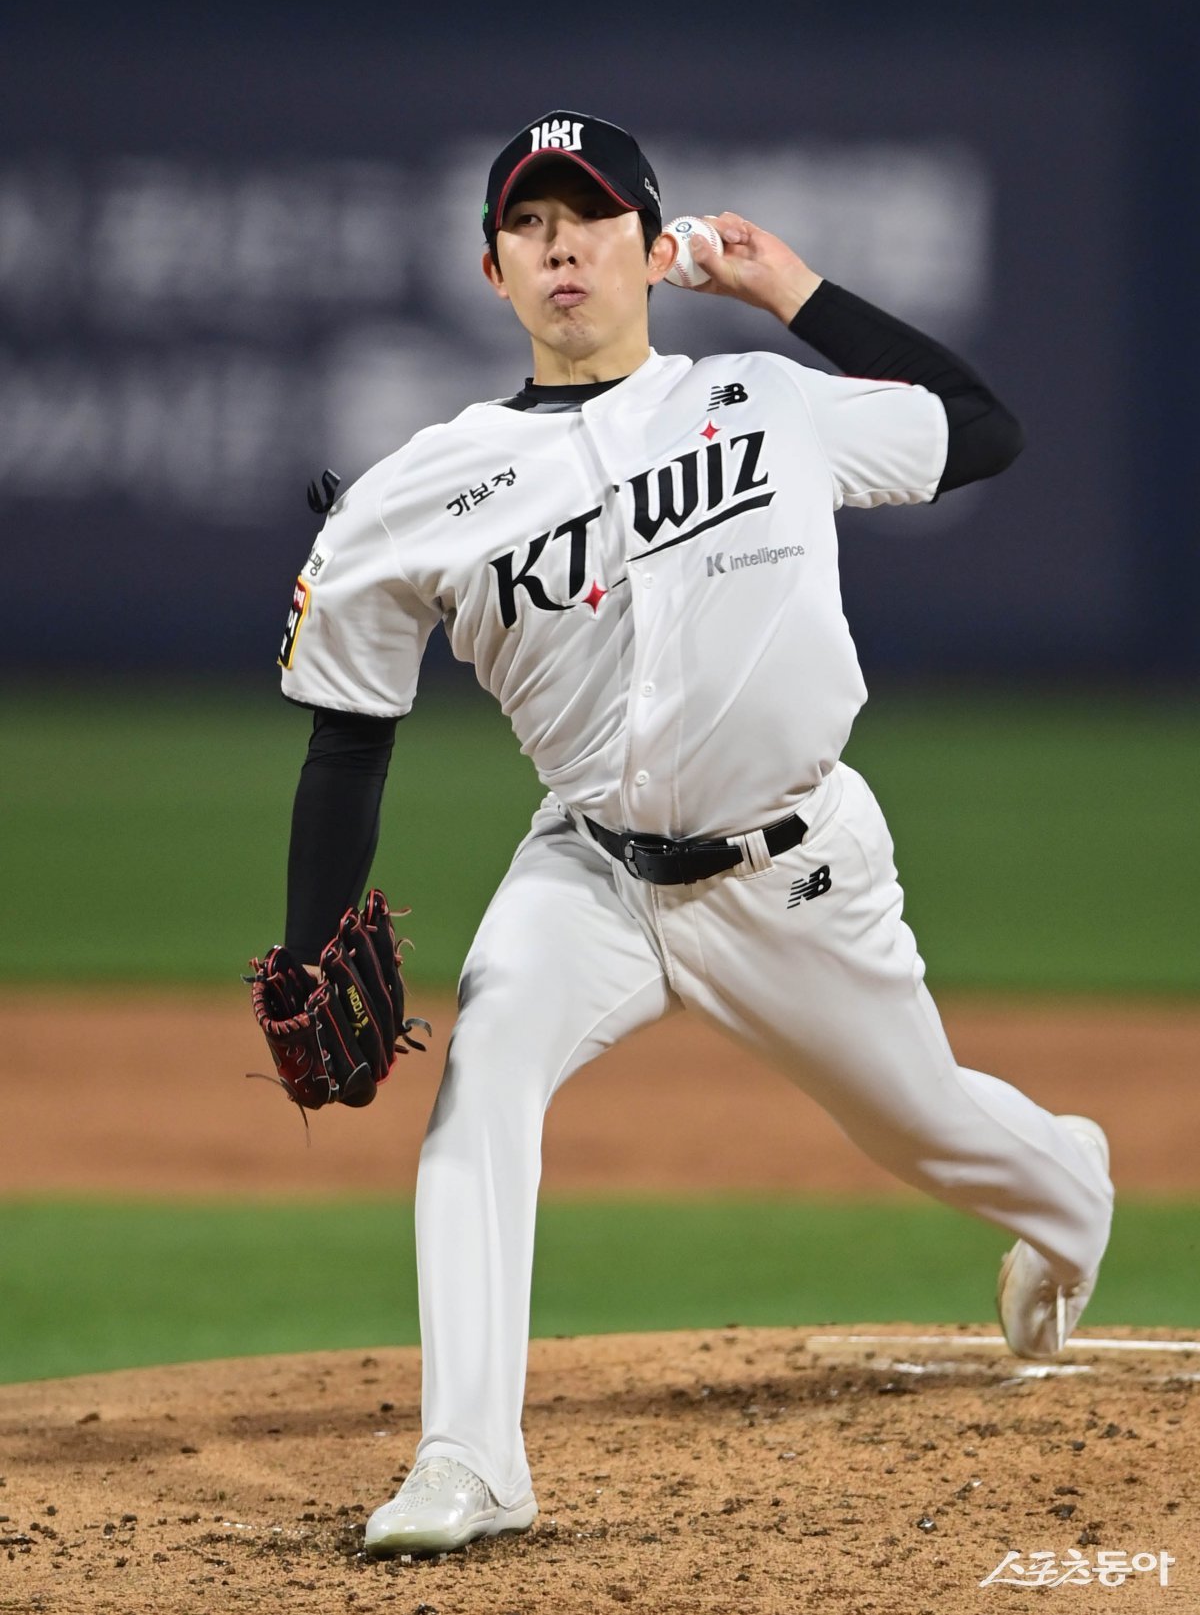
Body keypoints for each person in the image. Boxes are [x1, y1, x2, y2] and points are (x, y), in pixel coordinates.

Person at [270, 110, 1114, 1560]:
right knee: (485, 1078)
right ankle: (470, 1460)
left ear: (655, 250)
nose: (562, 249)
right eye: (530, 225)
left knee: (921, 1123)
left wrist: (796, 294)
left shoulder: (767, 401)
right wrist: (305, 948)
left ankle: (1071, 1190)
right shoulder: (419, 486)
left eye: (592, 218)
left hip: (795, 872)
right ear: (491, 270)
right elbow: (349, 734)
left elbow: (985, 427)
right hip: (587, 869)